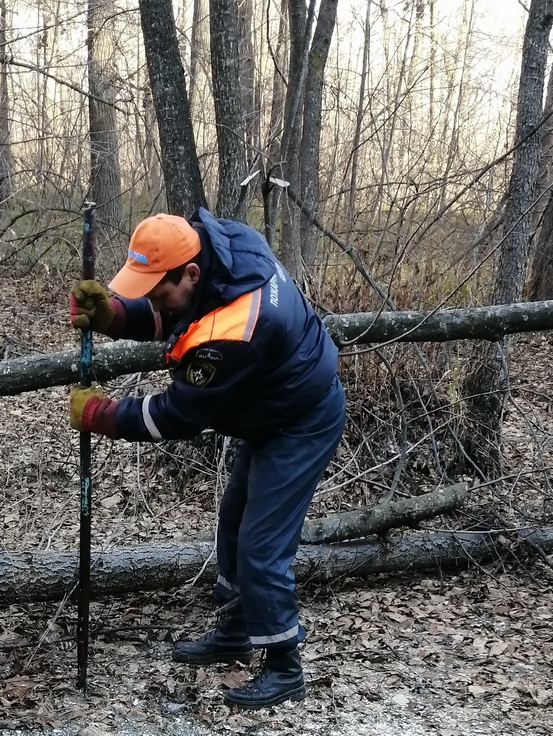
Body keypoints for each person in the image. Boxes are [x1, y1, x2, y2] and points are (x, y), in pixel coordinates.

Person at [68, 208, 345, 709]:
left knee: (262, 546)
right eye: (142, 288)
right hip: (268, 406)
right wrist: (114, 315)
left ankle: (285, 667)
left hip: (302, 420)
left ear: (190, 272)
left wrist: (101, 414)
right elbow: (179, 310)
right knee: (235, 522)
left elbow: (175, 416)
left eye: (157, 288)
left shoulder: (236, 332)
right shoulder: (223, 246)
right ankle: (238, 631)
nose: (150, 297)